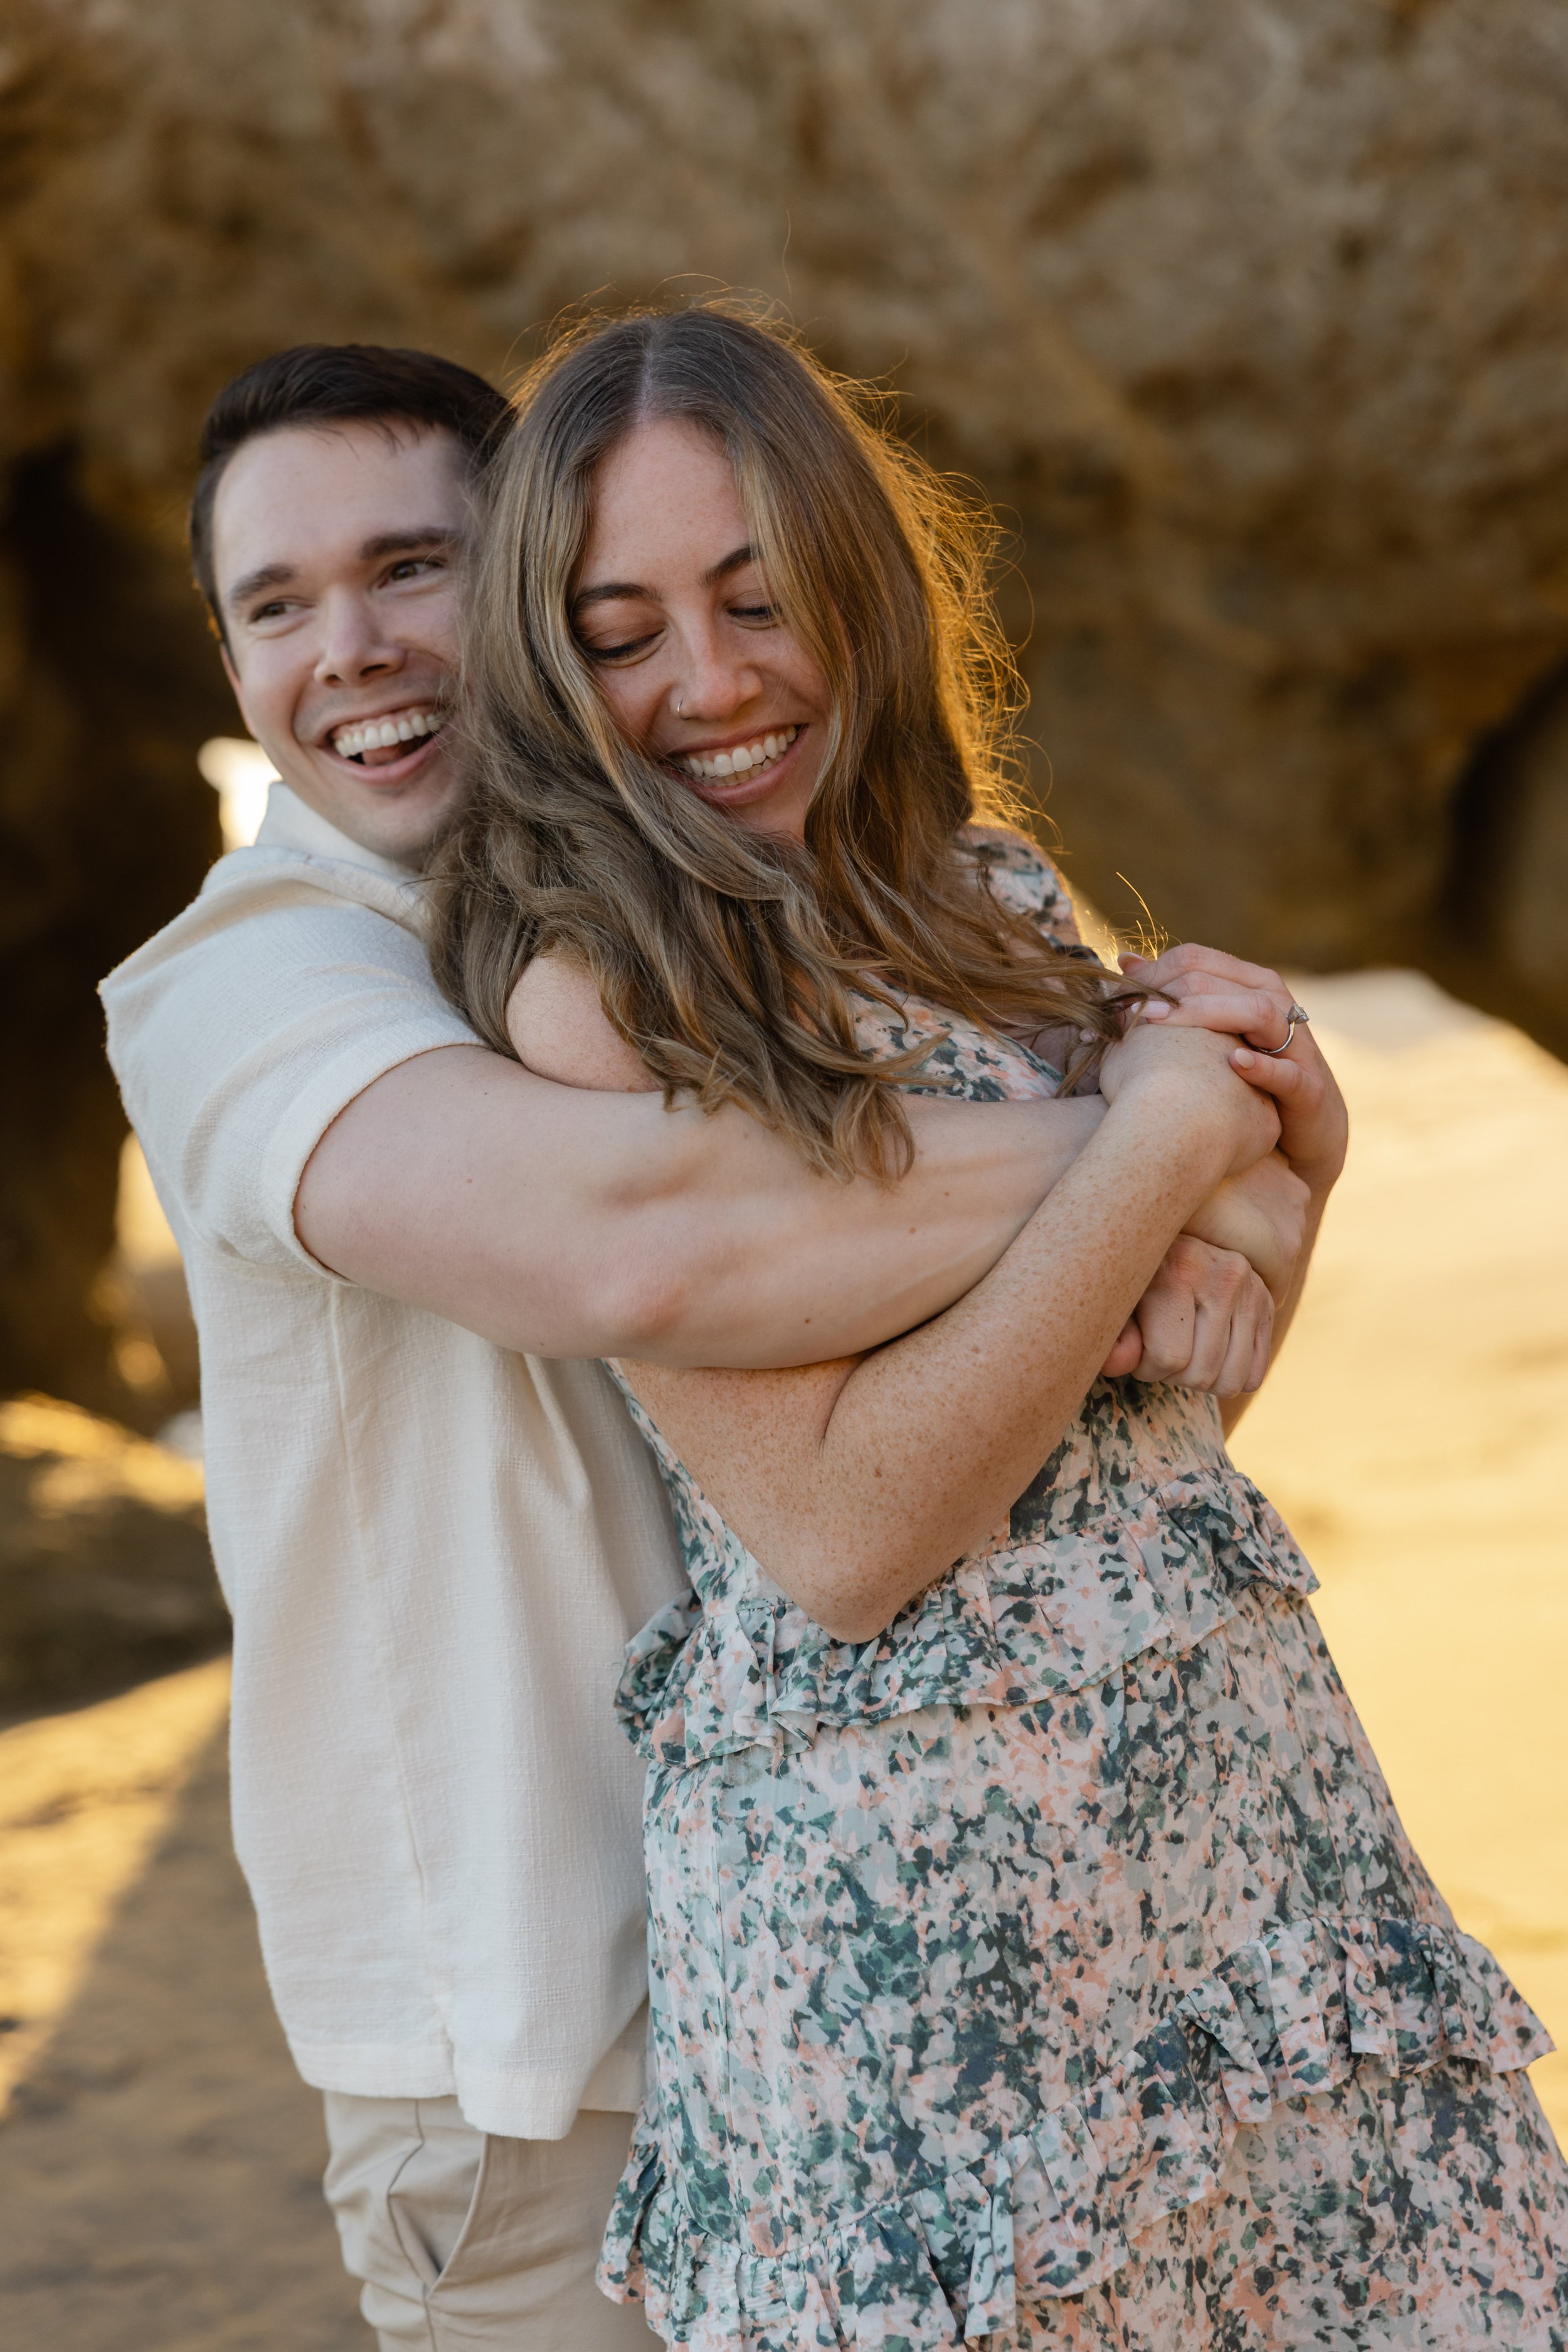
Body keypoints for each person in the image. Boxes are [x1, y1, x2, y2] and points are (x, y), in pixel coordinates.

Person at [98, 344, 1304, 2351]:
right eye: (273, 607)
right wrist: (1183, 1133)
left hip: (875, 1967)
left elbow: (1096, 1422)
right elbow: (649, 1246)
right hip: (532, 2046)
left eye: (413, 569)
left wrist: (1236, 1195)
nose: (353, 650)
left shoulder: (741, 924)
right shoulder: (248, 983)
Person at [438, 304, 1568, 2348]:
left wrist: (1259, 1208)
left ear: (856, 588)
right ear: (549, 658)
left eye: (757, 595)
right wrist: (1152, 1147)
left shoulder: (992, 895)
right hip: (925, 1938)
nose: (709, 683)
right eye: (623, 630)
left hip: (1237, 1830)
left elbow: (1158, 1420)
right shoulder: (603, 1000)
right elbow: (845, 1541)